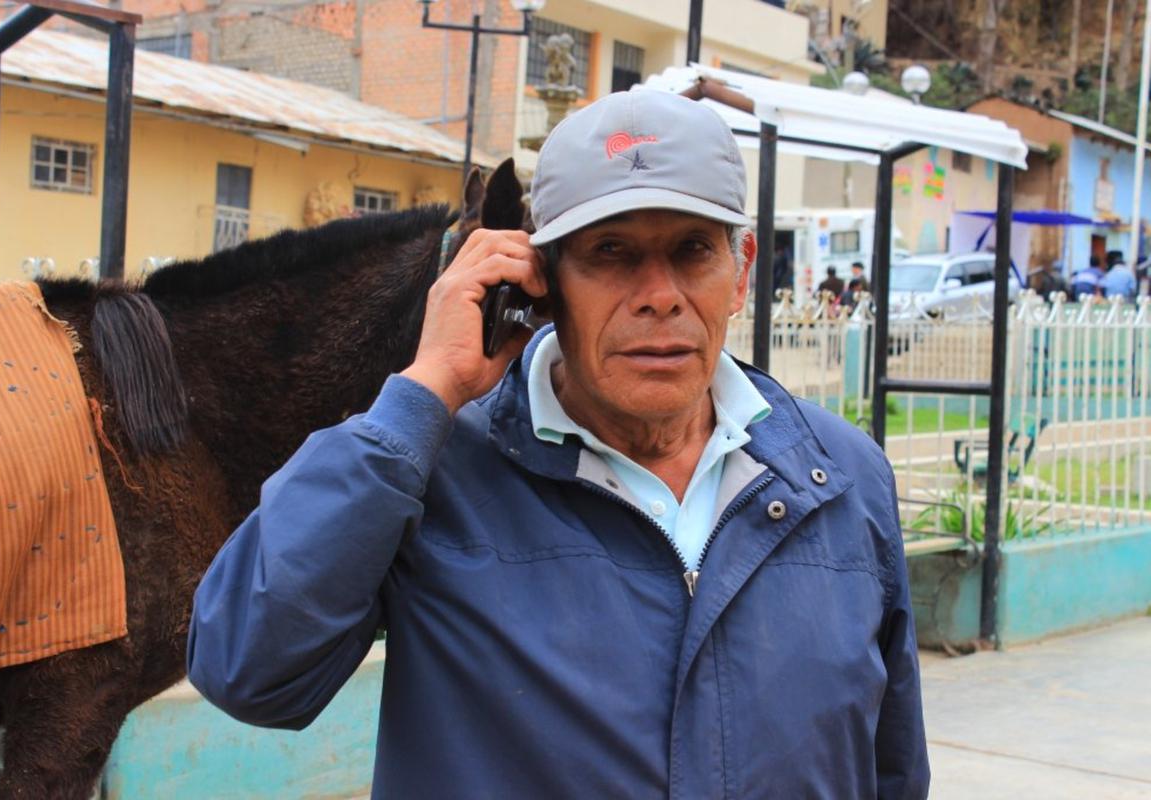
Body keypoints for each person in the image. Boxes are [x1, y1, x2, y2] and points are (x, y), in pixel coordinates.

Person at [187, 90, 930, 799]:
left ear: (739, 272)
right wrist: (423, 393)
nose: (659, 294)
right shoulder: (432, 473)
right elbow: (248, 670)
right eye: (611, 252)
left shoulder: (839, 474)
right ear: (539, 281)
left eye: (691, 250)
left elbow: (891, 767)